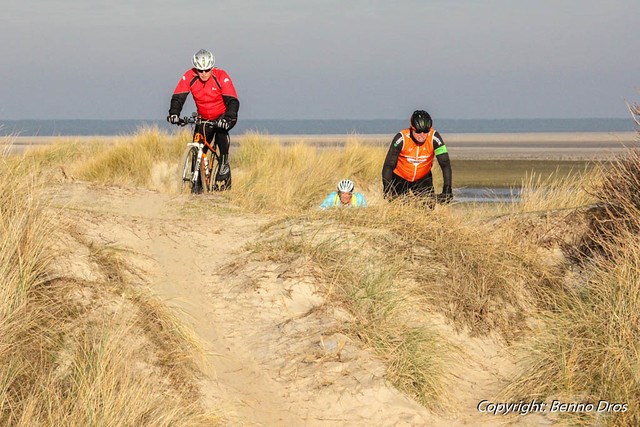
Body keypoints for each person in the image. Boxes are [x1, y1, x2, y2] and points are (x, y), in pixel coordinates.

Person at [167, 49, 239, 190]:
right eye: (200, 70)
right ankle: (198, 184)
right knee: (199, 145)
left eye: (207, 70)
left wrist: (228, 117)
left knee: (220, 131)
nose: (204, 73)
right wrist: (174, 113)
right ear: (196, 68)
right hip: (204, 118)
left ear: (212, 67)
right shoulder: (189, 76)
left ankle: (223, 163)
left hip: (223, 116)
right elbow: (178, 97)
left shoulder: (221, 76)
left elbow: (233, 101)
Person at [382, 110, 452, 204]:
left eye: (426, 131)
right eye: (418, 131)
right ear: (412, 128)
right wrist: (387, 190)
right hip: (400, 178)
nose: (422, 135)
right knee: (398, 209)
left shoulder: (435, 138)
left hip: (422, 179)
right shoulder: (401, 138)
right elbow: (388, 166)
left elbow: (445, 164)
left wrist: (447, 188)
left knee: (428, 209)